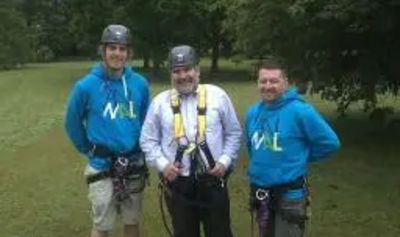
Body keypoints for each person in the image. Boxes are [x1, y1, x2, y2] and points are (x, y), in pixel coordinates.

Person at [139, 45, 242, 237]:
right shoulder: (160, 103)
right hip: (178, 184)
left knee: (220, 233)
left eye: (187, 69)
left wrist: (225, 162)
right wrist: (163, 165)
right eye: (176, 71)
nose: (182, 75)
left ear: (197, 70)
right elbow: (147, 140)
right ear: (171, 74)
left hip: (213, 180)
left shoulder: (217, 96)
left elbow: (233, 133)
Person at [64, 24, 150, 237]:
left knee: (132, 221)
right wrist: (90, 149)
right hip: (101, 166)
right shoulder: (85, 86)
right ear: (103, 50)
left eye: (122, 49)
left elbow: (146, 121)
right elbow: (72, 123)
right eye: (112, 48)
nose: (117, 53)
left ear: (128, 53)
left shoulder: (140, 84)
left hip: (133, 163)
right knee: (102, 226)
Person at [245, 59, 340, 237]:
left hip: (290, 196)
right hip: (261, 192)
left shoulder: (300, 111)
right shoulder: (252, 112)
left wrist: (301, 157)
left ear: (285, 82)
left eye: (274, 81)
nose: (268, 86)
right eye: (263, 81)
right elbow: (252, 147)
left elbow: (330, 143)